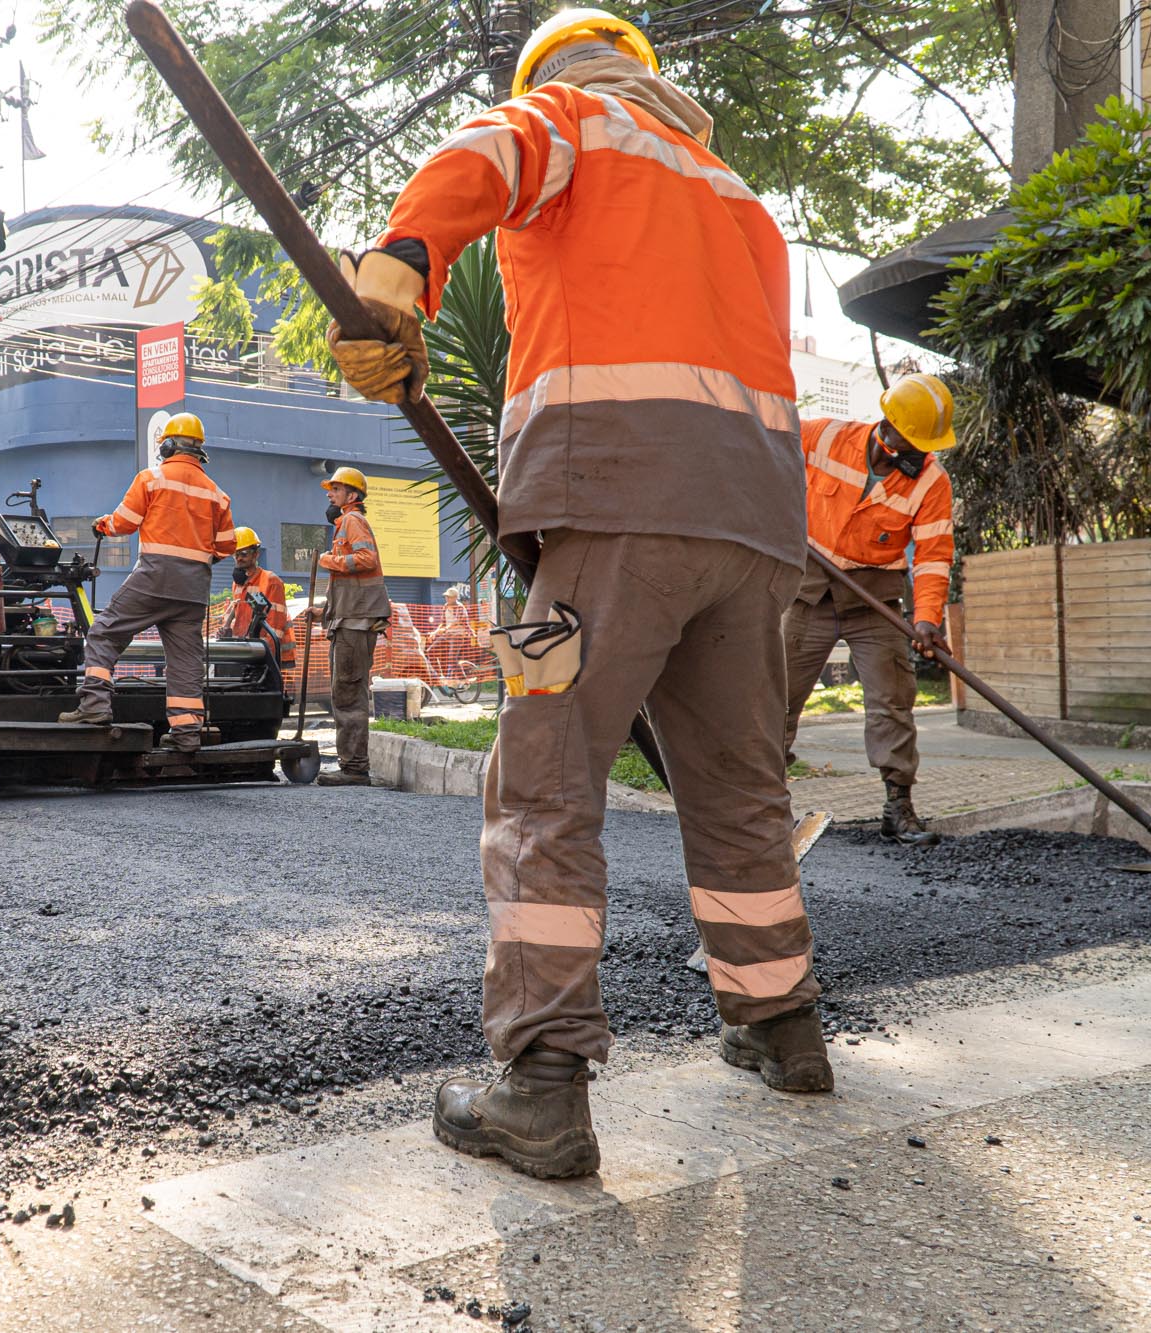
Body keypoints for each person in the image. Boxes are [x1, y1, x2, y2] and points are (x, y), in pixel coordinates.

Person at [327, 9, 830, 1179]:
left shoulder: (569, 112)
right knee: (737, 786)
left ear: (553, 69)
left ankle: (538, 1086)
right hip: (753, 527)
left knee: (543, 780)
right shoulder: (734, 194)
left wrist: (393, 275)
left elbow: (475, 160)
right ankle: (779, 1026)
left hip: (610, 500)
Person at [785, 372, 957, 846]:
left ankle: (898, 807)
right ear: (889, 427)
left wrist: (925, 619)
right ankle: (764, 806)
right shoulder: (825, 437)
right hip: (809, 593)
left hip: (874, 605)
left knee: (891, 703)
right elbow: (766, 447)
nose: (921, 453)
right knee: (774, 699)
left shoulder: (931, 481)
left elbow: (933, 555)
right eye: (915, 443)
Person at [59, 412, 236, 752]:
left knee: (104, 631)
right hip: (194, 588)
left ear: (167, 445)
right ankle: (186, 735)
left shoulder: (152, 478)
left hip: (155, 577)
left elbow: (125, 522)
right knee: (185, 660)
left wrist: (103, 525)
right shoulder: (218, 494)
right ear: (200, 451)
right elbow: (227, 545)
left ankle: (94, 707)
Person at [315, 466, 390, 786]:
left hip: (356, 625)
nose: (330, 494)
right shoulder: (345, 524)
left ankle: (354, 767)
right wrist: (323, 613)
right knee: (346, 691)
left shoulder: (352, 521)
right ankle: (353, 764)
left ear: (352, 495)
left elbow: (366, 559)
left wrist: (326, 560)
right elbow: (349, 584)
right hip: (349, 620)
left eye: (336, 489)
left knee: (347, 693)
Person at [217, 526, 297, 678]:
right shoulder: (238, 584)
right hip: (248, 652)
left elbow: (275, 626)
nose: (239, 558)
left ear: (256, 554)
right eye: (236, 554)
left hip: (265, 654)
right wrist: (227, 631)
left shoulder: (271, 581)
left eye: (244, 554)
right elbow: (239, 618)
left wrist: (265, 657)